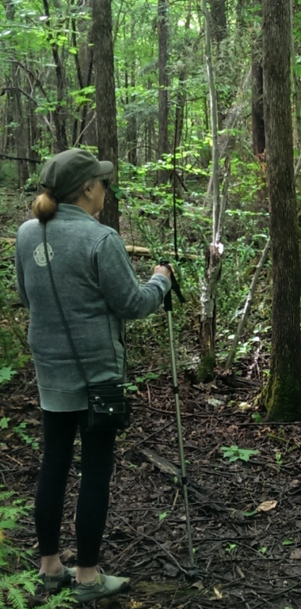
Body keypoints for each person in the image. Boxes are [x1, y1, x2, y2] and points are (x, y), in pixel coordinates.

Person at [15, 149, 172, 602]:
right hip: (98, 375)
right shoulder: (102, 239)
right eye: (102, 182)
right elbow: (134, 304)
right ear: (87, 188)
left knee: (54, 463)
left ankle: (49, 568)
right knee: (96, 470)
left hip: (50, 369)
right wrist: (161, 279)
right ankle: (87, 577)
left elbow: (26, 296)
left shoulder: (27, 234)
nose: (105, 188)